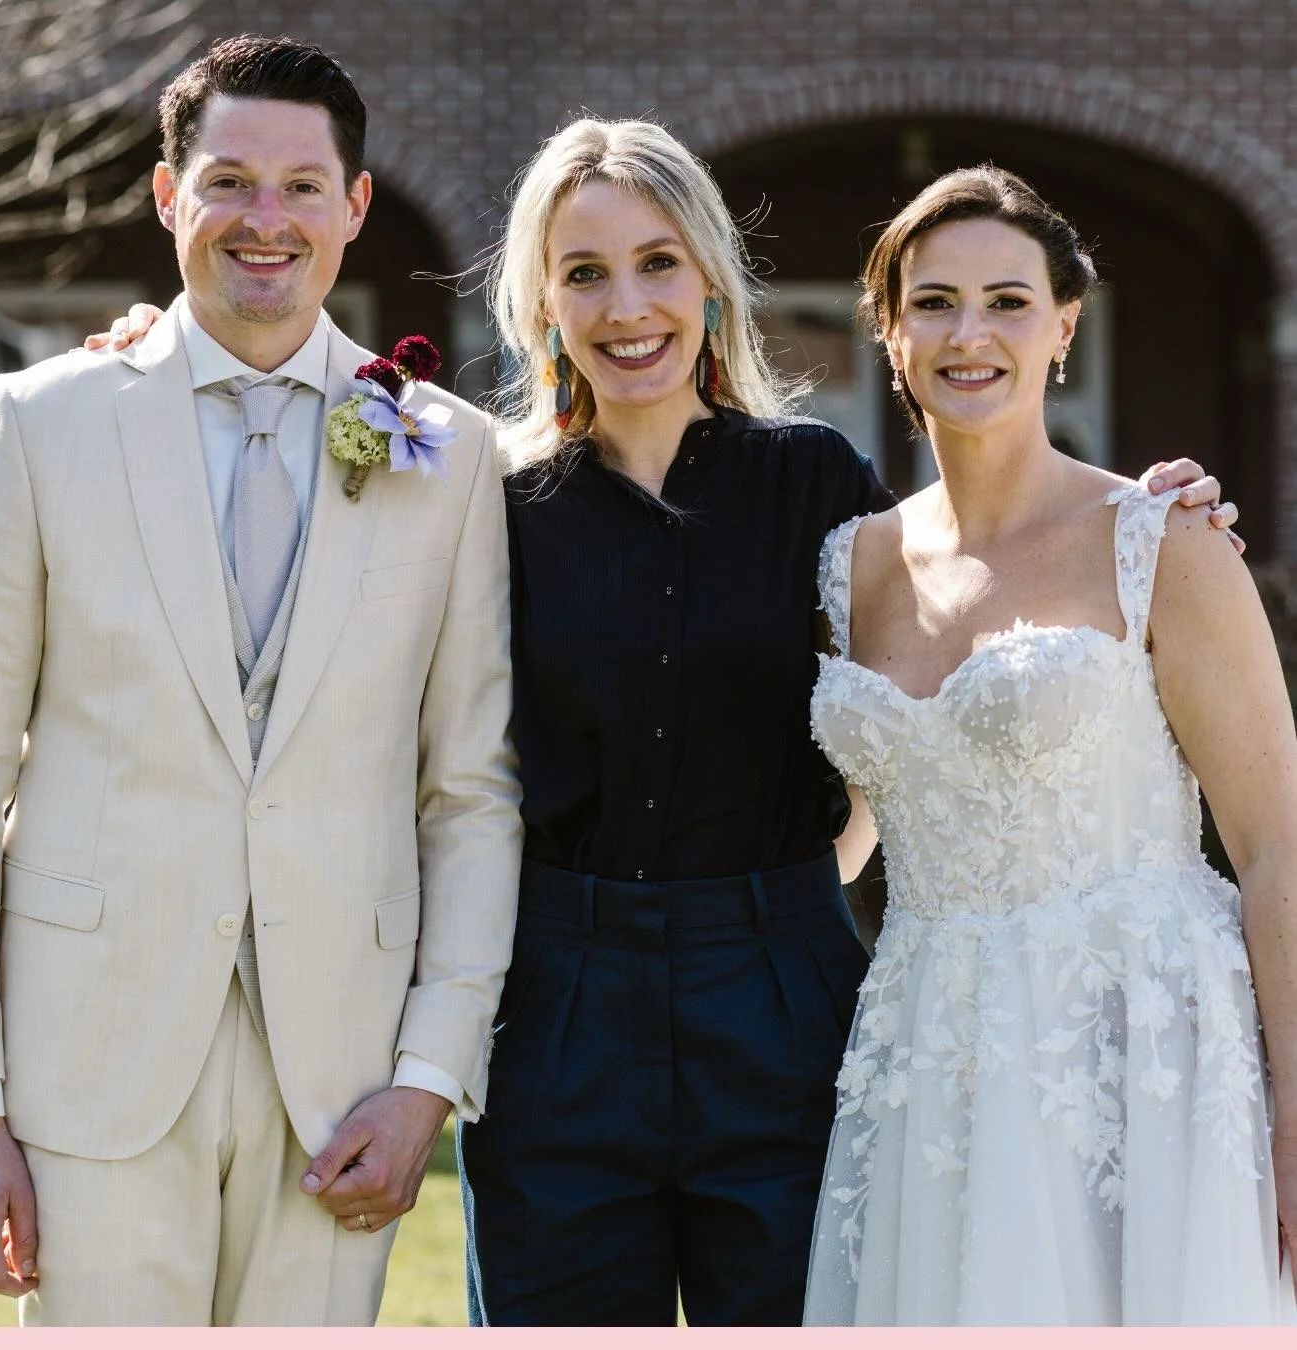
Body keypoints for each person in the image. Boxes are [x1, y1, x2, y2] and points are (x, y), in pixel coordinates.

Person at [85, 120, 1233, 1326]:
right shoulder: (481, 500)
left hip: (787, 1001)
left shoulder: (818, 484)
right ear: (541, 305)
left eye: (658, 263)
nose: (626, 305)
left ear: (712, 285)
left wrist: (1139, 514)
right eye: (584, 273)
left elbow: (953, 633)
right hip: (555, 1008)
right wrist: (157, 356)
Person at [0, 35, 521, 1326]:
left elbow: (471, 794)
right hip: (84, 1063)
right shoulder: (37, 427)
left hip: (341, 1075)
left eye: (302, 187)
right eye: (228, 182)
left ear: (353, 206)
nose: (266, 221)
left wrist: (426, 1074)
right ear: (168, 196)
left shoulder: (448, 451)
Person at [804, 165, 1297, 1325]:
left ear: (1064, 327)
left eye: (1008, 301)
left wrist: (1294, 1106)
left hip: (1138, 1045)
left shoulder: (1162, 538)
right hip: (929, 1050)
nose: (969, 333)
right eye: (933, 302)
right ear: (889, 334)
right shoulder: (849, 565)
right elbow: (852, 835)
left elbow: (1275, 842)